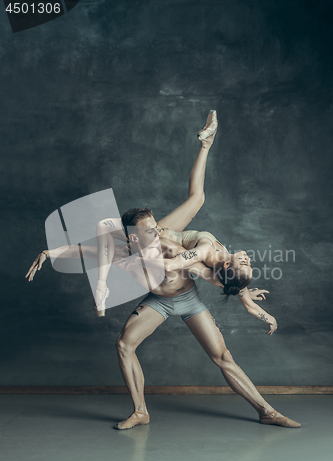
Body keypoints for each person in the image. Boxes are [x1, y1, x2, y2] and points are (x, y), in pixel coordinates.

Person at [25, 111, 301, 429]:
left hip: (187, 298)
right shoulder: (153, 239)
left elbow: (209, 275)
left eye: (241, 263)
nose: (245, 257)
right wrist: (50, 251)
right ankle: (140, 412)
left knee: (222, 357)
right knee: (124, 343)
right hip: (158, 299)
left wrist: (250, 303)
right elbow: (92, 250)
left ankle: (268, 411)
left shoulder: (189, 252)